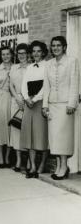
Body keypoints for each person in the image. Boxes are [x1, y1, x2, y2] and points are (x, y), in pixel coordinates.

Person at [43, 36, 79, 180]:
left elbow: (75, 83)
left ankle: (64, 166)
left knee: (63, 137)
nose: (56, 48)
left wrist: (72, 103)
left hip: (65, 105)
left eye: (59, 45)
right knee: (54, 138)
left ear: (64, 47)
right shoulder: (49, 64)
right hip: (52, 105)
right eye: (53, 45)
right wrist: (45, 105)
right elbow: (46, 86)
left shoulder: (72, 61)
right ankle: (59, 165)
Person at [21, 41, 49, 178]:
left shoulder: (48, 66)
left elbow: (46, 87)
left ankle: (42, 165)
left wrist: (35, 99)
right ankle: (32, 166)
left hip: (40, 102)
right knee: (29, 136)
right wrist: (27, 99)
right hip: (29, 103)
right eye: (33, 51)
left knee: (41, 135)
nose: (36, 54)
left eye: (38, 51)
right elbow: (23, 85)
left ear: (43, 52)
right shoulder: (29, 67)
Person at [9, 44, 29, 172]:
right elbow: (11, 84)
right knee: (16, 130)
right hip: (15, 100)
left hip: (28, 101)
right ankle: (18, 161)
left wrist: (24, 99)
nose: (21, 55)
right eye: (19, 53)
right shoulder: (14, 67)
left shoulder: (32, 67)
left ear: (28, 54)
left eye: (24, 53)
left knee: (26, 131)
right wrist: (17, 97)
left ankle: (27, 162)